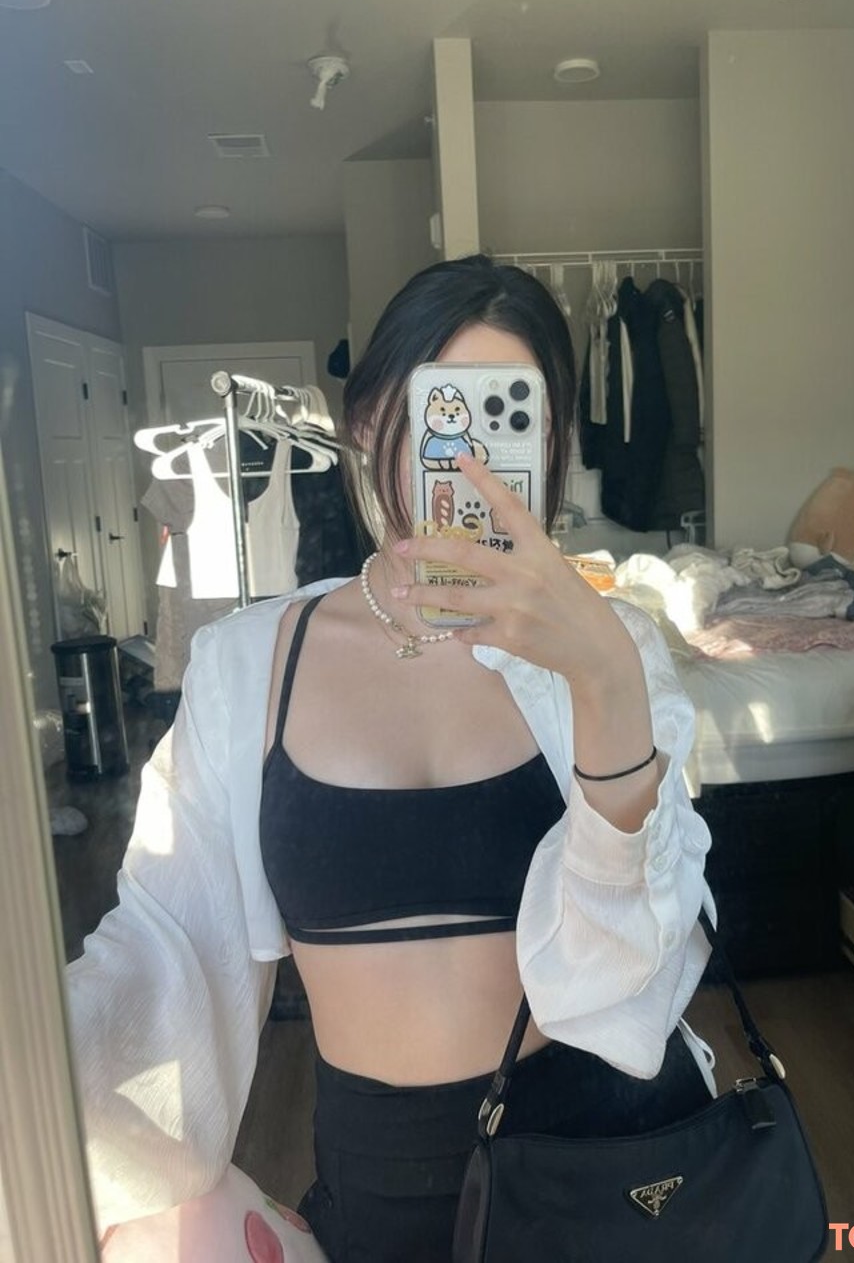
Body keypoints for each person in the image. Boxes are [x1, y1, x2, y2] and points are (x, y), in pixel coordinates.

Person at [68, 255, 717, 1262]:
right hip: (381, 1189)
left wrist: (606, 681)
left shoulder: (610, 649)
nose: (475, 458)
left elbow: (632, 980)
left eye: (516, 417)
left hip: (605, 1165)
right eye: (445, 410)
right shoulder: (249, 663)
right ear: (371, 422)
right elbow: (166, 944)